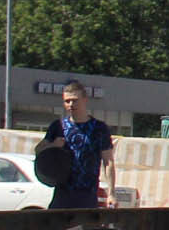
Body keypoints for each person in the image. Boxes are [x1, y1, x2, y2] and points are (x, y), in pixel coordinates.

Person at [38, 80, 116, 209]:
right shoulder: (58, 127)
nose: (71, 104)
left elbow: (108, 162)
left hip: (87, 194)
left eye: (75, 100)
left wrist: (111, 194)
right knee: (56, 228)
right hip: (62, 193)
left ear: (85, 100)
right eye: (67, 101)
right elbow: (38, 150)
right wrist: (52, 145)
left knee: (86, 228)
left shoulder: (99, 128)